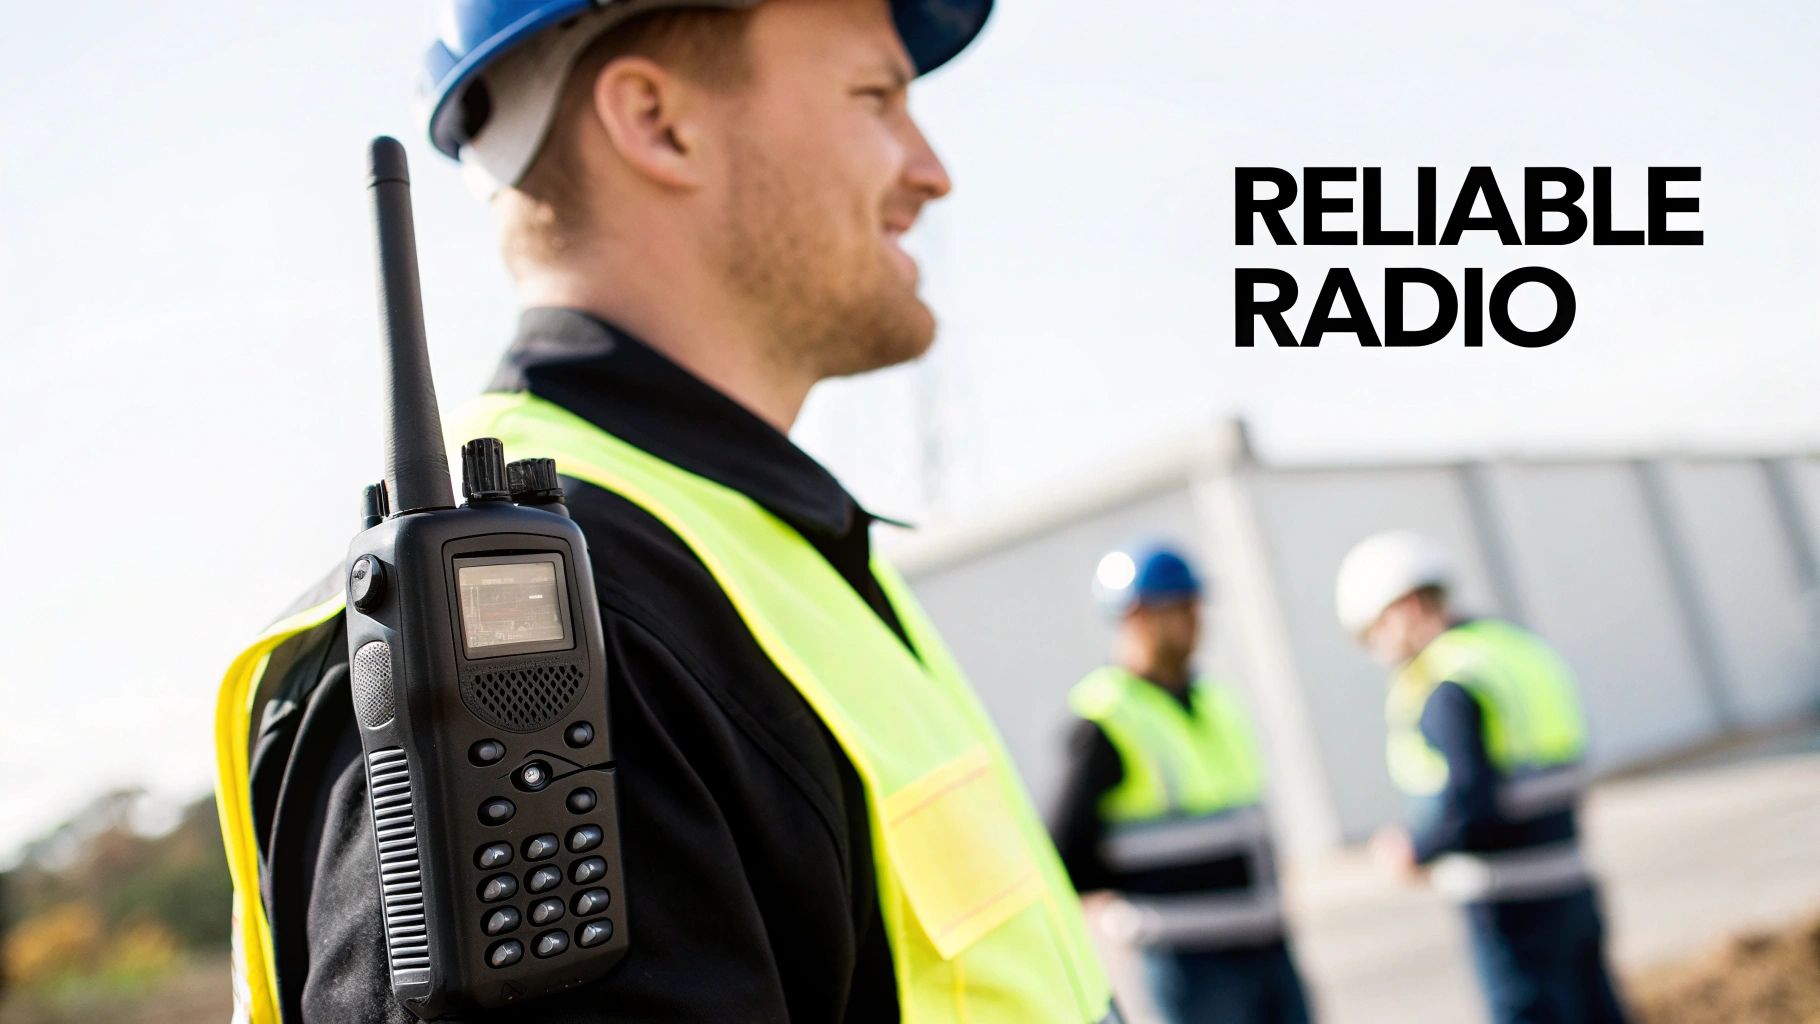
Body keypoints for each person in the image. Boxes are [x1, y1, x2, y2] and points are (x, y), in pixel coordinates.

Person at [212, 1, 1119, 1021]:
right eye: (876, 98)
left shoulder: (751, 548)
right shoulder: (541, 613)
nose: (930, 169)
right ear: (656, 121)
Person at [1334, 529, 1627, 1024]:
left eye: (1374, 632)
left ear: (1403, 607)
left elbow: (1471, 799)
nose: (1379, 650)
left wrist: (1415, 850)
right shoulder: (1515, 650)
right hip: (1570, 877)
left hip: (1507, 902)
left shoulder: (1446, 678)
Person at [1050, 543, 1313, 1024]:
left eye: (1194, 605)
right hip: (1190, 957)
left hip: (1265, 941)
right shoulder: (1106, 715)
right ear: (1134, 618)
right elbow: (1066, 850)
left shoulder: (1216, 700)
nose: (1194, 620)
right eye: (1177, 607)